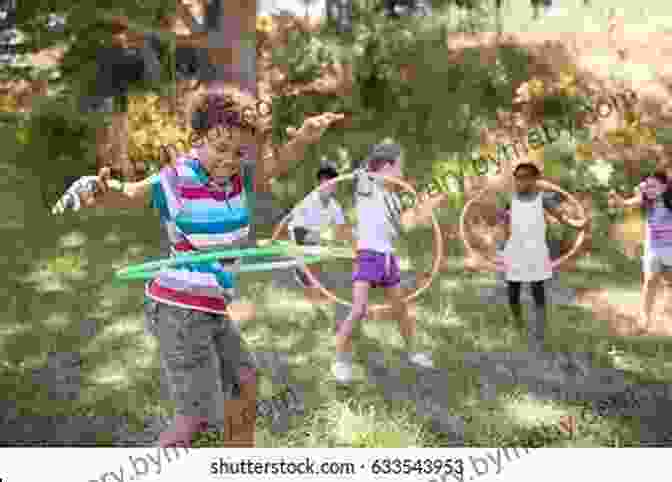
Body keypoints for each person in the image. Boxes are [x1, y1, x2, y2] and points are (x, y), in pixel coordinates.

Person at [52, 84, 343, 447]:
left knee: (245, 384)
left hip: (210, 304)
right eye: (220, 148)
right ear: (197, 138)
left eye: (239, 152)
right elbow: (130, 194)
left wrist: (305, 139)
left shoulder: (239, 180)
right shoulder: (177, 177)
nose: (229, 159)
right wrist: (100, 190)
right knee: (197, 420)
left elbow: (278, 163)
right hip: (180, 308)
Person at [331, 142, 441, 384]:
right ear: (386, 167)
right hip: (368, 255)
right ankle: (340, 360)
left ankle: (414, 352)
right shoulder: (367, 186)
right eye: (399, 167)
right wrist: (376, 166)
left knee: (400, 309)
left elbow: (402, 227)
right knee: (359, 310)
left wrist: (425, 208)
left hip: (388, 257)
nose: (402, 173)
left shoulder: (393, 198)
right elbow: (362, 171)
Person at [495, 162, 586, 353]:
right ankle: (518, 323)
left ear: (536, 179)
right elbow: (504, 223)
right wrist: (502, 246)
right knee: (513, 291)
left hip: (536, 249)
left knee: (537, 289)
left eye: (526, 176)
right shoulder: (510, 199)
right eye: (518, 177)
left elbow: (563, 218)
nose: (521, 181)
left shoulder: (543, 199)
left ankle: (540, 327)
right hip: (516, 249)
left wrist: (579, 225)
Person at [608, 161, 672, 334]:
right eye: (648, 186)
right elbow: (627, 204)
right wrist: (618, 200)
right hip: (654, 248)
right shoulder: (647, 199)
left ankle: (667, 302)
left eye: (654, 186)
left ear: (665, 187)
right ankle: (644, 319)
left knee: (668, 280)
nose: (649, 189)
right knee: (650, 280)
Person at [287, 161, 349, 291]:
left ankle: (316, 285)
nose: (329, 187)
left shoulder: (335, 207)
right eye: (325, 183)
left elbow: (343, 230)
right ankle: (308, 278)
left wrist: (353, 245)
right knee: (315, 253)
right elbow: (298, 233)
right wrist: (325, 241)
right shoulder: (308, 202)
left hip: (314, 247)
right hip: (301, 242)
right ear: (318, 185)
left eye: (332, 183)